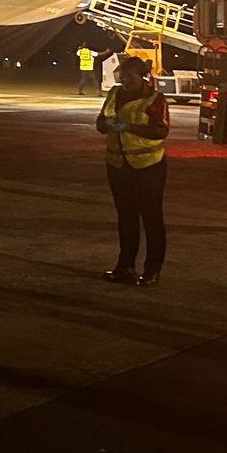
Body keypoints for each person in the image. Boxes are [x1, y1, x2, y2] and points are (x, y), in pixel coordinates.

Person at [97, 55, 169, 285]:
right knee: (126, 217)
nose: (125, 80)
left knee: (151, 218)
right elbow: (100, 124)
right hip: (118, 165)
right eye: (122, 76)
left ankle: (152, 270)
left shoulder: (155, 99)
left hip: (149, 166)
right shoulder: (114, 94)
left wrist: (130, 127)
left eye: (130, 76)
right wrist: (108, 125)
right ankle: (124, 266)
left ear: (143, 77)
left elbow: (160, 131)